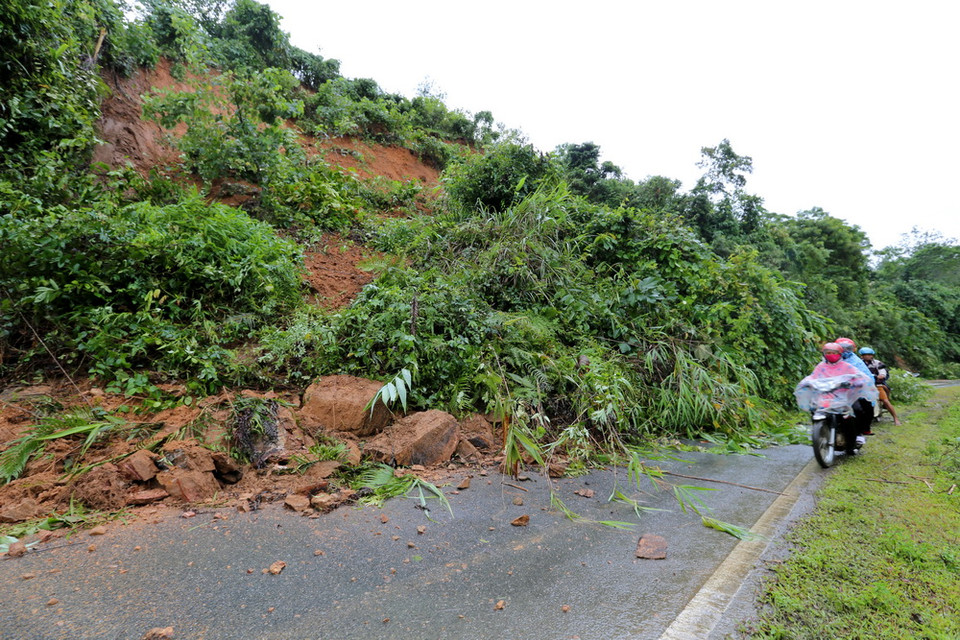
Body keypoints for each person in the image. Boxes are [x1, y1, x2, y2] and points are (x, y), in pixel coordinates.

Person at [795, 342, 878, 449]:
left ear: (840, 353)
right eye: (827, 352)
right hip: (826, 396)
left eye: (833, 352)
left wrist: (857, 382)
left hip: (844, 397)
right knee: (814, 408)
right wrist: (807, 383)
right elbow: (813, 376)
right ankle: (822, 431)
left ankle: (856, 435)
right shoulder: (821, 366)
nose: (830, 354)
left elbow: (859, 376)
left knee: (856, 410)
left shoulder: (847, 366)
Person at [834, 337, 879, 438]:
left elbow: (866, 376)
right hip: (834, 390)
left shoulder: (857, 361)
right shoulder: (830, 358)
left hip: (852, 391)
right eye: (842, 348)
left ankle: (860, 432)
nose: (844, 351)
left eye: (847, 348)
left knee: (861, 408)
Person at [858, 347, 903, 426]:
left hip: (876, 385)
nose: (869, 356)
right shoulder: (858, 363)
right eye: (866, 355)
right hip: (862, 386)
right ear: (862, 356)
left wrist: (880, 375)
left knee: (885, 401)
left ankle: (895, 418)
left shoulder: (877, 363)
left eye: (870, 355)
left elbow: (882, 373)